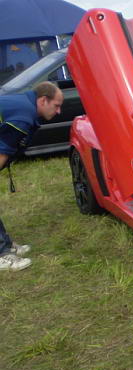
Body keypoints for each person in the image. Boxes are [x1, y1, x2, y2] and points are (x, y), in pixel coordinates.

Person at [0, 81, 63, 271]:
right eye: (56, 105)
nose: (59, 111)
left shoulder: (25, 104)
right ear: (43, 100)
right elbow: (2, 151)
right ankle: (2, 255)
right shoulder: (23, 116)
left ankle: (5, 245)